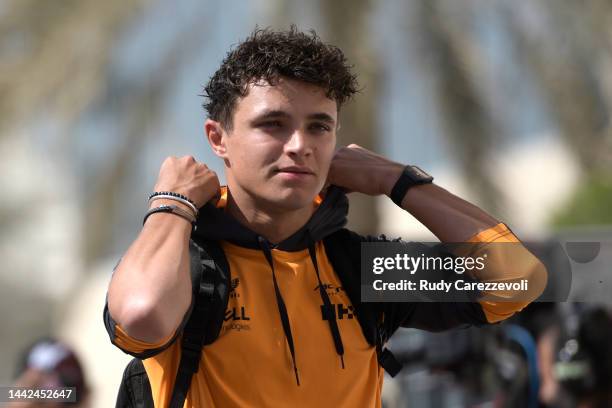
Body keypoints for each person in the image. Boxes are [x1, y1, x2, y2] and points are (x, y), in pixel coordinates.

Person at [104, 27, 547, 407]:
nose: (300, 145)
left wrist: (399, 180)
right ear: (218, 138)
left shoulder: (362, 266)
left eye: (319, 126)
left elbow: (517, 281)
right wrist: (173, 202)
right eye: (273, 124)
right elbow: (141, 316)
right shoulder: (187, 264)